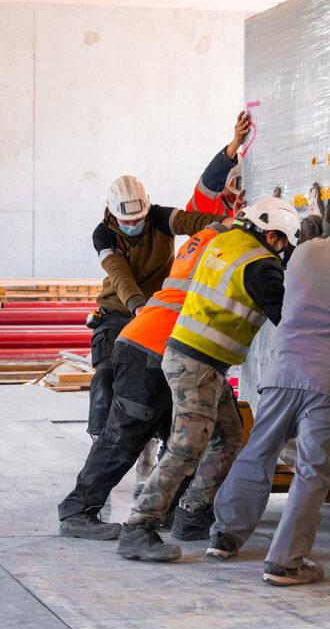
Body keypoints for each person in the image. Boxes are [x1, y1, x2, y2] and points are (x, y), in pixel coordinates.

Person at [205, 195, 330, 586]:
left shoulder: (305, 252)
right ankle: (286, 562)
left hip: (283, 371)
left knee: (259, 450)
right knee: (312, 472)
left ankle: (225, 536)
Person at [115, 197, 300, 562]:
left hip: (193, 357)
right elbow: (289, 321)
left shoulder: (222, 242)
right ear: (276, 237)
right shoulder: (261, 266)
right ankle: (138, 526)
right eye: (286, 245)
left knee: (227, 437)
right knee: (186, 446)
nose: (284, 253)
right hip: (197, 365)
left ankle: (191, 514)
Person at [57, 213, 237, 539]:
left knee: (183, 438)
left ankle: (169, 512)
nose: (134, 221)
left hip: (165, 346)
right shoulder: (238, 254)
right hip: (152, 348)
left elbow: (199, 218)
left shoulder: (207, 242)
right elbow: (119, 273)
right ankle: (76, 511)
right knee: (125, 437)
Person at [86, 111, 250, 442]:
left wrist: (235, 224)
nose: (135, 224)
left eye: (140, 218)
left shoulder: (159, 218)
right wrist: (136, 307)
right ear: (114, 215)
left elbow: (193, 221)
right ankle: (101, 439)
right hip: (120, 311)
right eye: (127, 221)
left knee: (169, 375)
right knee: (105, 374)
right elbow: (120, 275)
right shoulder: (104, 235)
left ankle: (168, 440)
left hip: (158, 311)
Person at [186, 111, 249, 218]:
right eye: (234, 188)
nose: (237, 195)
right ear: (222, 185)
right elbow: (211, 179)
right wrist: (236, 142)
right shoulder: (207, 206)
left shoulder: (248, 210)